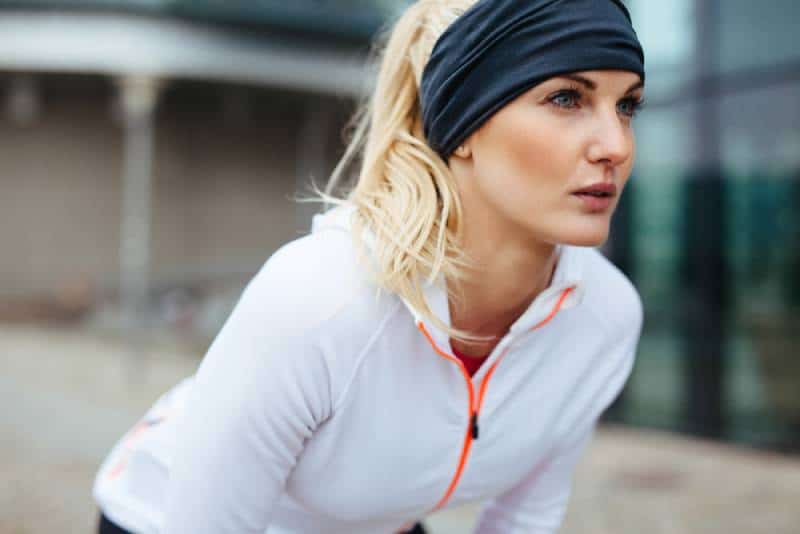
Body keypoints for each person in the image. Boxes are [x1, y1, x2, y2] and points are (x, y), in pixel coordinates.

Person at [92, 0, 647, 532]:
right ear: (465, 125)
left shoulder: (604, 316)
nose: (616, 145)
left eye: (627, 105)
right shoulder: (321, 297)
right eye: (567, 99)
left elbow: (524, 522)